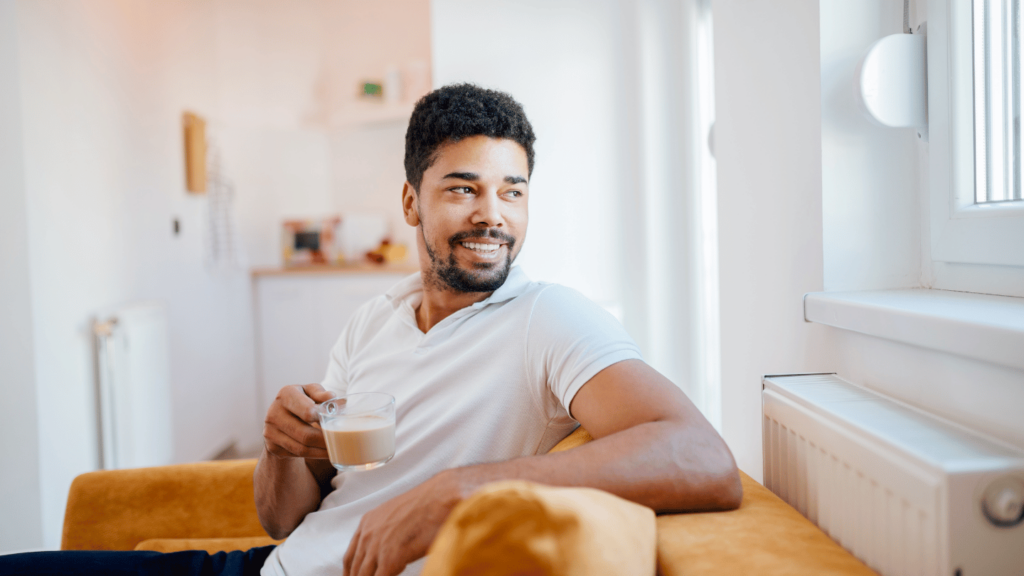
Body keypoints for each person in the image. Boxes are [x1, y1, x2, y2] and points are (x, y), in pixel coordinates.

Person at [0, 84, 739, 576]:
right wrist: (281, 446)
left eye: (512, 191)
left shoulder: (548, 317)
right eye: (463, 189)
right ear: (412, 204)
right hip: (263, 564)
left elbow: (704, 458)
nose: (493, 215)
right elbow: (286, 517)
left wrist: (461, 489)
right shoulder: (374, 319)